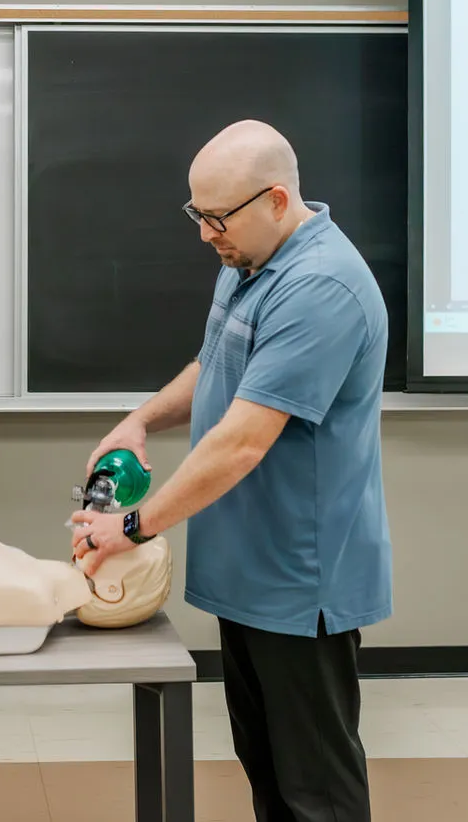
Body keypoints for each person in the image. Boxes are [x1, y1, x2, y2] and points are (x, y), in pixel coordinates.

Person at [71, 119, 392, 822]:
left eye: (217, 217)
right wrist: (140, 420)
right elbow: (216, 365)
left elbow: (243, 442)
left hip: (300, 582)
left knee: (316, 790)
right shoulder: (247, 261)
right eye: (197, 213)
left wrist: (132, 526)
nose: (204, 233)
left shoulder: (319, 288)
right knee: (268, 771)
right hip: (250, 574)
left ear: (276, 200)